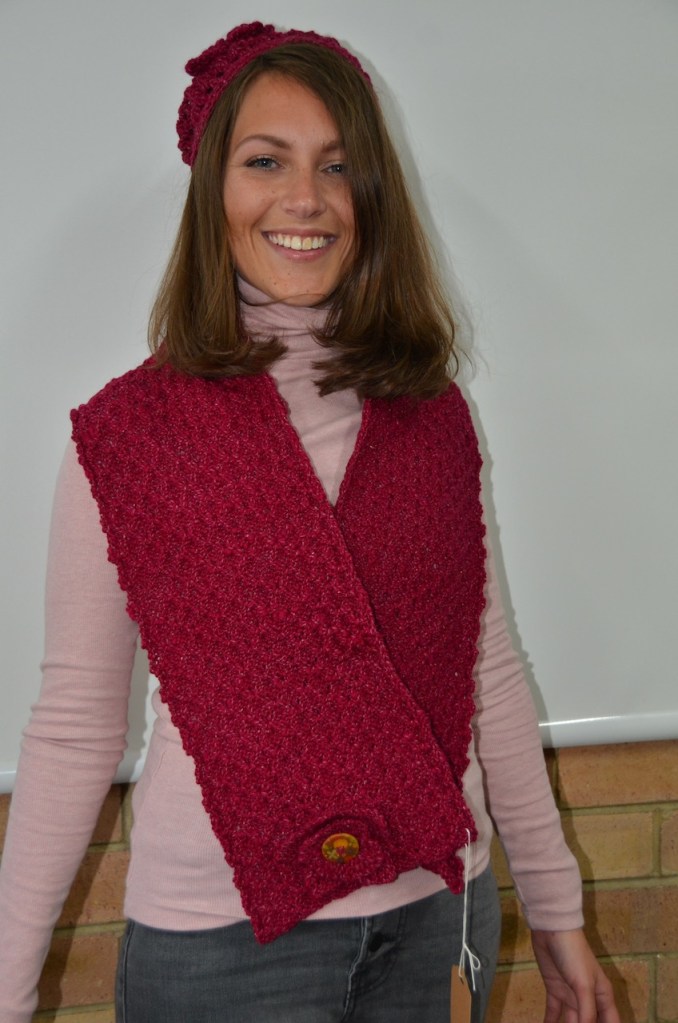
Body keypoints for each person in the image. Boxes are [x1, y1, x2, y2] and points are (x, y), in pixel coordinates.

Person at [0, 21, 620, 1023]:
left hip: (435, 911)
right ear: (213, 190)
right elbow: (75, 725)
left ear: (371, 195)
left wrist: (555, 910)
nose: (305, 198)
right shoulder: (131, 437)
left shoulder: (430, 416)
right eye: (265, 161)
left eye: (336, 166)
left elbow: (488, 668)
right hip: (221, 946)